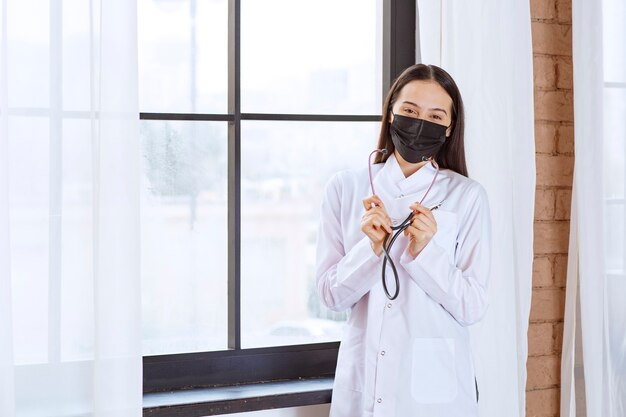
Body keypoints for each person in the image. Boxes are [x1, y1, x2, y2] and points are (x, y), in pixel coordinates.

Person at [315, 63, 492, 417]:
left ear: (449, 128)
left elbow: (472, 305)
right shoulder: (346, 188)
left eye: (435, 115)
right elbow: (330, 296)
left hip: (435, 392)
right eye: (410, 111)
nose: (419, 124)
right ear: (391, 112)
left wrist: (426, 252)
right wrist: (371, 249)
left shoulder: (467, 196)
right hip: (363, 382)